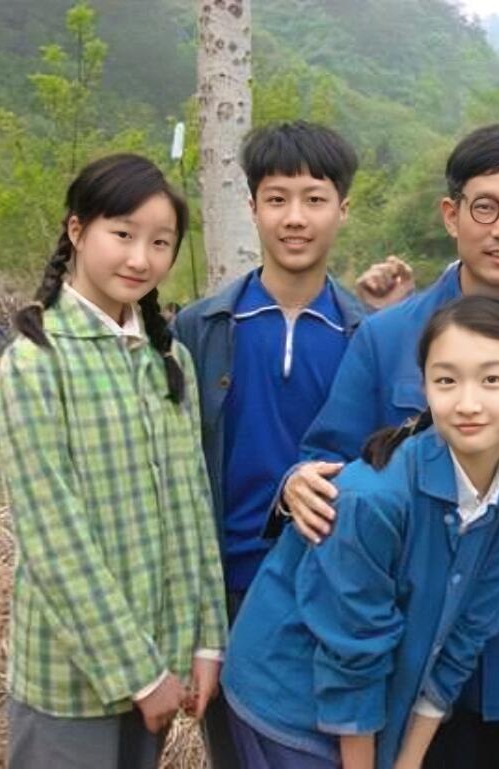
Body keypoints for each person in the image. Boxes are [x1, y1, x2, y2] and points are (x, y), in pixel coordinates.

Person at [278, 123, 499, 768]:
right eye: (485, 208)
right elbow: (330, 458)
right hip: (412, 646)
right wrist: (296, 482)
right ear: (452, 215)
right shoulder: (387, 336)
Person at [221, 296, 499, 769]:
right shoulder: (372, 498)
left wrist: (409, 759)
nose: (468, 403)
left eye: (492, 380)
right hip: (289, 696)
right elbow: (354, 647)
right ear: (424, 386)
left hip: (375, 698)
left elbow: (466, 635)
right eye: (446, 381)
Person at [0, 154, 227, 768]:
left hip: (162, 662)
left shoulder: (168, 359)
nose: (140, 259)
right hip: (72, 682)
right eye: (122, 234)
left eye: (160, 243)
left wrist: (207, 640)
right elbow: (54, 536)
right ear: (77, 230)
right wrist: (138, 673)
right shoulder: (36, 361)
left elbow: (194, 507)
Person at [173, 120, 365, 767]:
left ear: (343, 208)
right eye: (277, 198)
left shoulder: (366, 335)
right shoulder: (202, 328)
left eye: (314, 199)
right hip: (226, 592)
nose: (295, 217)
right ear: (252, 205)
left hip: (326, 595)